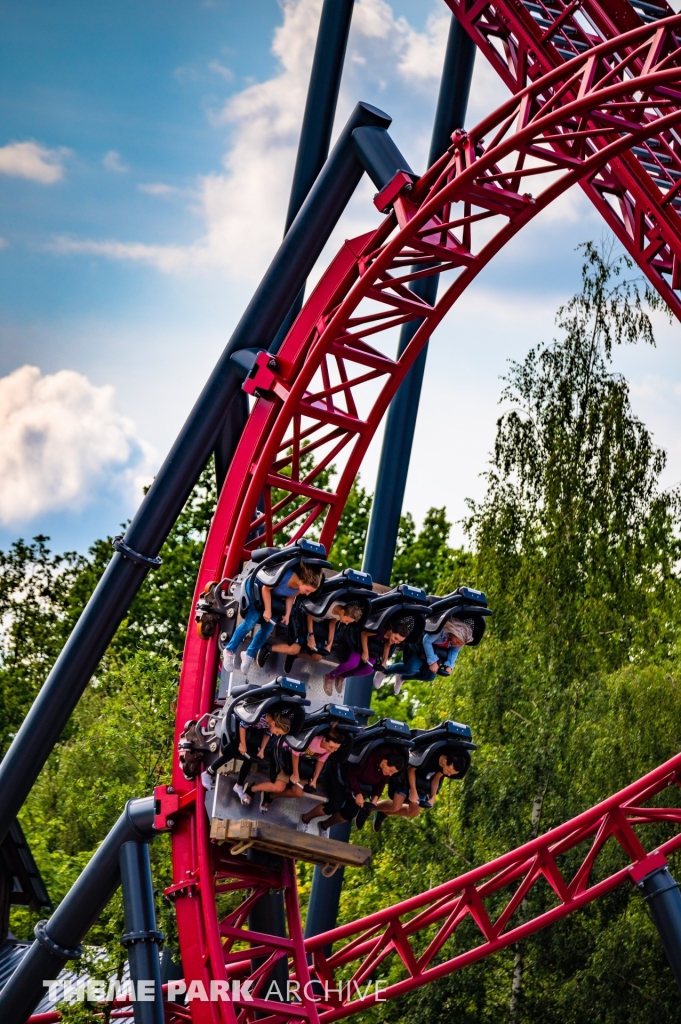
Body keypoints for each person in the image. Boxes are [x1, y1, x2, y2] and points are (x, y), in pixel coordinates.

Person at [223, 561, 324, 676]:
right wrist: (267, 610)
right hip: (257, 588)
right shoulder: (286, 576)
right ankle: (229, 650)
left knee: (267, 629)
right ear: (302, 581)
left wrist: (287, 614)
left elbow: (290, 597)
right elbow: (265, 588)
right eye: (308, 590)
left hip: (273, 598)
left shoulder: (298, 588)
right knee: (251, 622)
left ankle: (248, 655)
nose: (307, 594)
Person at [299, 746, 407, 833]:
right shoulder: (370, 759)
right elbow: (351, 774)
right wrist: (358, 793)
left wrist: (375, 799)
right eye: (390, 770)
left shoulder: (385, 773)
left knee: (350, 813)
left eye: (393, 773)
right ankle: (305, 818)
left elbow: (381, 782)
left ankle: (324, 826)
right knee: (332, 806)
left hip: (360, 787)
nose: (390, 774)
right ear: (384, 762)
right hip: (344, 779)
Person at [263, 602, 364, 684]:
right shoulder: (329, 605)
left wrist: (329, 644)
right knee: (293, 649)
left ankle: (293, 656)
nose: (346, 623)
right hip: (305, 620)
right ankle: (266, 648)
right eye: (347, 621)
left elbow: (333, 622)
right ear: (343, 612)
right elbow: (310, 617)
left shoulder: (340, 612)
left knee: (317, 657)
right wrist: (311, 637)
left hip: (318, 626)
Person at [372, 749, 468, 831]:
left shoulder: (444, 767)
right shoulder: (430, 756)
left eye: (451, 774)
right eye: (449, 771)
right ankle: (368, 809)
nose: (449, 775)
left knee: (414, 812)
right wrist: (413, 791)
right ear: (445, 761)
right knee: (395, 807)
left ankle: (383, 812)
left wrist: (432, 797)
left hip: (420, 785)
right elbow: (410, 770)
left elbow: (436, 778)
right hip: (406, 778)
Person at [250, 726, 344, 806]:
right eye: (331, 747)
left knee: (298, 792)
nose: (332, 750)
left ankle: (270, 795)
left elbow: (321, 760)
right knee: (279, 787)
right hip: (287, 754)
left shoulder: (328, 750)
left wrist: (315, 779)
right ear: (324, 740)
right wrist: (295, 774)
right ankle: (252, 788)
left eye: (336, 748)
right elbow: (295, 752)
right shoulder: (313, 740)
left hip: (303, 761)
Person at [323, 616, 415, 695]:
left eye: (399, 641)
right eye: (396, 638)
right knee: (352, 663)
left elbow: (387, 646)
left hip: (373, 651)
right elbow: (364, 634)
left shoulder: (391, 640)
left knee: (368, 670)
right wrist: (365, 652)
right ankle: (330, 676)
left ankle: (342, 676)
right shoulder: (381, 630)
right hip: (361, 645)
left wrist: (384, 662)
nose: (396, 642)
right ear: (391, 631)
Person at [385, 618, 473, 695]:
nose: (458, 645)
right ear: (454, 634)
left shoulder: (459, 641)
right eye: (457, 642)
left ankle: (401, 676)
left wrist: (449, 665)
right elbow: (426, 641)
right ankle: (385, 670)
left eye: (460, 644)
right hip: (421, 645)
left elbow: (454, 651)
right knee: (412, 669)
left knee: (429, 676)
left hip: (434, 652)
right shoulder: (441, 630)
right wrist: (432, 662)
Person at [231, 710, 292, 806]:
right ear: (274, 723)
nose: (276, 734)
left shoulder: (269, 726)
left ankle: (239, 784)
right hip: (239, 723)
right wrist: (243, 744)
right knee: (235, 753)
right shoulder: (263, 718)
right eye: (277, 732)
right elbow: (243, 724)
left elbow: (268, 733)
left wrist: (262, 749)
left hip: (253, 735)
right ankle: (209, 772)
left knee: (250, 758)